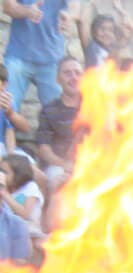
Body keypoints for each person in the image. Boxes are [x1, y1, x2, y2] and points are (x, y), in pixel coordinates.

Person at [2, 0, 66, 111]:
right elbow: (7, 7)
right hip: (18, 56)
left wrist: (70, 14)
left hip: (52, 59)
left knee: (58, 116)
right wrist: (27, 11)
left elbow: (76, 5)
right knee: (4, 108)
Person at [35, 56, 83, 190]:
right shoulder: (49, 110)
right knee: (58, 181)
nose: (73, 77)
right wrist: (65, 164)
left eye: (77, 73)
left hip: (92, 164)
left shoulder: (94, 106)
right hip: (59, 167)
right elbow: (44, 149)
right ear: (58, 79)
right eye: (67, 73)